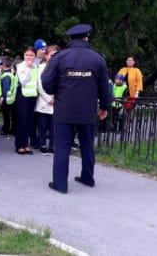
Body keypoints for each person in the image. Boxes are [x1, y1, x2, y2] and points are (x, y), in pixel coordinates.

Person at [42, 23, 111, 193]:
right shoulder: (97, 58)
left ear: (70, 39)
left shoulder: (59, 57)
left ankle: (60, 184)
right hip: (88, 111)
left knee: (62, 146)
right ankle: (88, 178)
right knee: (87, 145)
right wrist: (104, 107)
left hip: (64, 110)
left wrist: (55, 91)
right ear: (86, 38)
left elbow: (47, 82)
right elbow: (105, 87)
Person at [35, 44, 60, 154]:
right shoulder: (40, 68)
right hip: (43, 100)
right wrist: (48, 98)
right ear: (45, 56)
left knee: (54, 126)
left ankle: (53, 145)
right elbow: (39, 85)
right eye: (51, 55)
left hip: (56, 100)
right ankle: (42, 143)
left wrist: (56, 97)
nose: (53, 57)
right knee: (42, 125)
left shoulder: (60, 68)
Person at [14, 47, 39, 154]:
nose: (29, 57)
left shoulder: (36, 67)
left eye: (31, 55)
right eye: (26, 55)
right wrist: (28, 69)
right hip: (22, 95)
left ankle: (26, 144)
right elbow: (23, 81)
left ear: (35, 56)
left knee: (29, 121)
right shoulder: (20, 66)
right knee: (21, 121)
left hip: (32, 96)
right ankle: (19, 145)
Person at [0, 56, 15, 139]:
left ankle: (6, 131)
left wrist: (2, 99)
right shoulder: (9, 74)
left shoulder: (6, 76)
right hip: (10, 99)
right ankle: (8, 129)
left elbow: (5, 89)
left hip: (6, 100)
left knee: (6, 116)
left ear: (3, 65)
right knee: (9, 116)